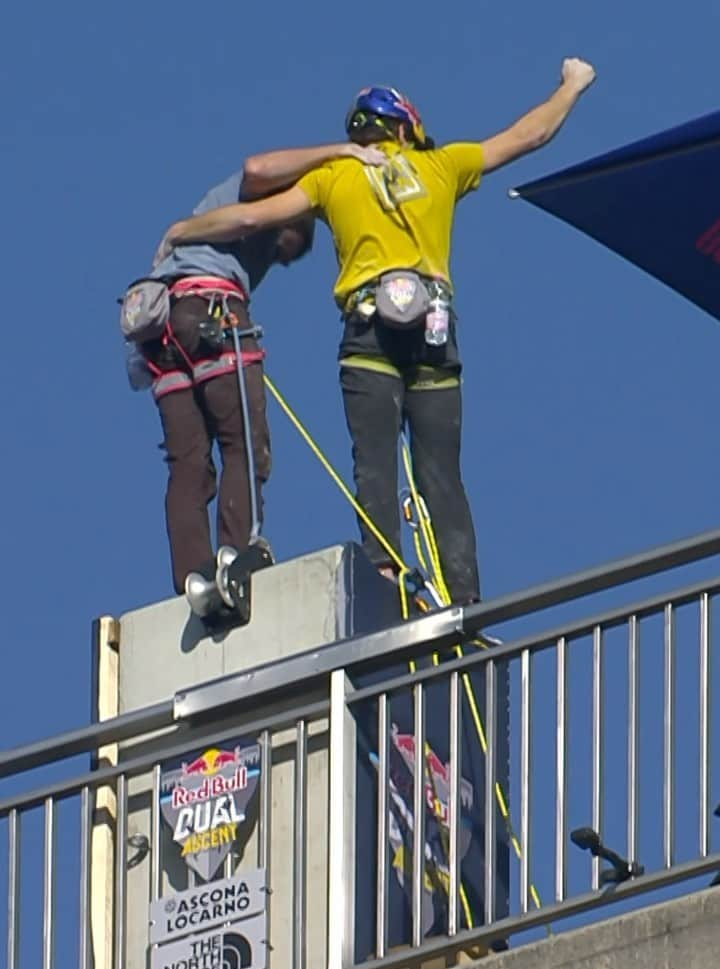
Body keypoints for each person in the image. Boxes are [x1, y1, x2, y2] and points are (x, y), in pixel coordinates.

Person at [153, 60, 597, 603]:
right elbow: (530, 134)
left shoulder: (333, 176)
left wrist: (181, 230)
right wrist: (572, 84)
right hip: (433, 328)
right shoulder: (442, 165)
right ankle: (464, 601)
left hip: (368, 334)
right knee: (442, 475)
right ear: (407, 127)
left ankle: (384, 577)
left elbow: (248, 219)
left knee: (375, 463)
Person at [130, 141, 387, 604]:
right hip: (210, 314)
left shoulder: (228, 236)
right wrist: (346, 154)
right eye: (292, 243)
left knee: (188, 465)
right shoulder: (254, 198)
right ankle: (236, 555)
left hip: (162, 331)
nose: (282, 255)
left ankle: (191, 578)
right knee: (246, 447)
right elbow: (257, 168)